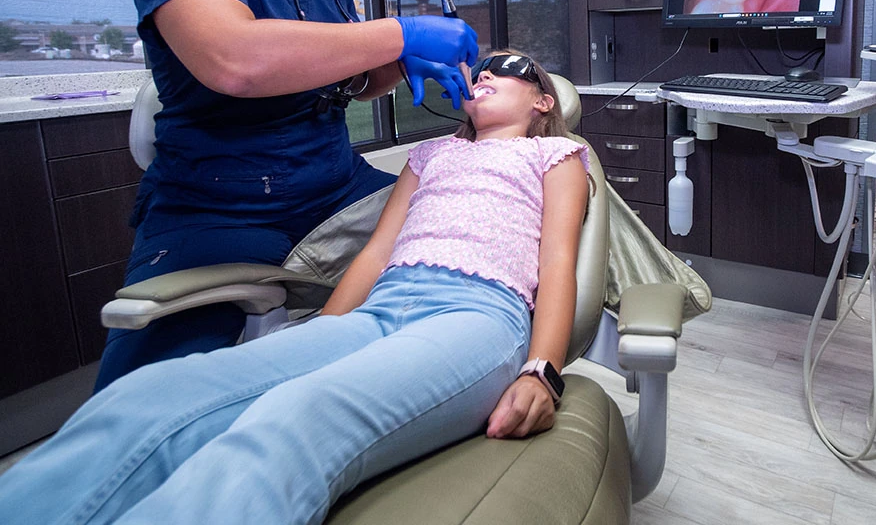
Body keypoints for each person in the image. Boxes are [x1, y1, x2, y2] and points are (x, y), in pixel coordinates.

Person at [0, 51, 589, 525]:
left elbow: (558, 261)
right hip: (382, 308)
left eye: (510, 68)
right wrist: (330, 329)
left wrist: (543, 370)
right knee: (163, 392)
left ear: (542, 101)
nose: (486, 72)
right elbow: (378, 251)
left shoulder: (556, 154)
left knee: (297, 414)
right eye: (481, 66)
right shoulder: (433, 154)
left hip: (477, 318)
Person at [95, 0, 478, 390]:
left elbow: (342, 80)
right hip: (217, 206)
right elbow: (234, 60)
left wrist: (392, 64)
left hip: (331, 186)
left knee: (470, 253)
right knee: (141, 401)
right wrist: (399, 34)